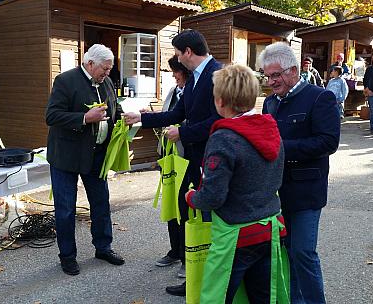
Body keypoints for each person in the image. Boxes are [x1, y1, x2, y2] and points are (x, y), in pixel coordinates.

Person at [123, 29, 222, 297]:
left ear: (188, 52)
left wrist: (185, 132)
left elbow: (219, 119)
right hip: (193, 157)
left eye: (179, 53)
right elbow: (178, 113)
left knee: (203, 214)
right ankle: (192, 269)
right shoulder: (194, 80)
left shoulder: (218, 75)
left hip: (212, 159)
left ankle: (204, 278)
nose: (178, 58)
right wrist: (142, 119)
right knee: (185, 205)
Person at [184, 64, 287, 303]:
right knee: (263, 296)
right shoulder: (271, 129)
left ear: (219, 101)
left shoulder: (224, 138)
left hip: (236, 233)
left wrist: (191, 197)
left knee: (217, 297)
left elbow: (212, 197)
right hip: (269, 228)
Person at [261, 42, 340, 304]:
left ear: (293, 71)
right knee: (286, 253)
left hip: (307, 192)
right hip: (278, 192)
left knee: (304, 253)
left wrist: (281, 149)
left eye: (276, 75)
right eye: (267, 75)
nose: (271, 81)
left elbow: (328, 142)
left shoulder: (320, 97)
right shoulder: (270, 103)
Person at [45, 44, 125, 276]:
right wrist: (84, 117)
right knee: (66, 210)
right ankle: (67, 256)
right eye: (105, 69)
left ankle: (103, 247)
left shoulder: (107, 82)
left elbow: (114, 107)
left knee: (101, 204)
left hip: (96, 155)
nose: (108, 73)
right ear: (90, 63)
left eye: (109, 69)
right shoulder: (65, 81)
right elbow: (51, 116)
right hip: (66, 157)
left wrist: (125, 117)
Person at [154, 55, 190, 269]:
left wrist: (181, 131)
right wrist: (148, 116)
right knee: (170, 204)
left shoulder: (194, 91)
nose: (174, 76)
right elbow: (167, 116)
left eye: (176, 71)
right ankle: (175, 250)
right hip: (167, 156)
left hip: (184, 157)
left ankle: (187, 254)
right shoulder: (173, 91)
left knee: (184, 207)